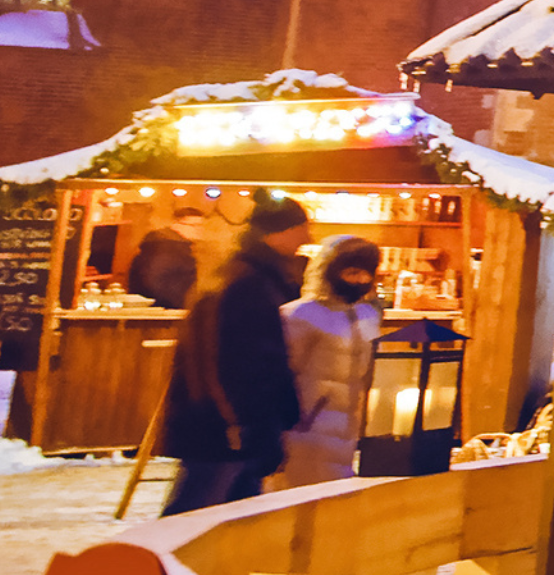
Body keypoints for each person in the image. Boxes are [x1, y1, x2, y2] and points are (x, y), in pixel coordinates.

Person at [160, 193, 310, 515]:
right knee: (197, 512)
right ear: (279, 231)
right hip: (227, 423)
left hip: (231, 420)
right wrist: (244, 422)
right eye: (301, 228)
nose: (307, 237)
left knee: (226, 515)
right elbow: (238, 359)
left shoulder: (250, 276)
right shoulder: (246, 282)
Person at [271, 235, 386, 491]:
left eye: (365, 274)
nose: (358, 280)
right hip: (305, 428)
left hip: (347, 430)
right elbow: (282, 375)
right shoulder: (301, 315)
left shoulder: (366, 315)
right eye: (351, 272)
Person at [127, 207, 206, 309]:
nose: (199, 230)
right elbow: (155, 282)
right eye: (194, 226)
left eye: (201, 226)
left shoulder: (169, 247)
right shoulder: (166, 249)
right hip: (161, 313)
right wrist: (177, 305)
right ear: (176, 225)